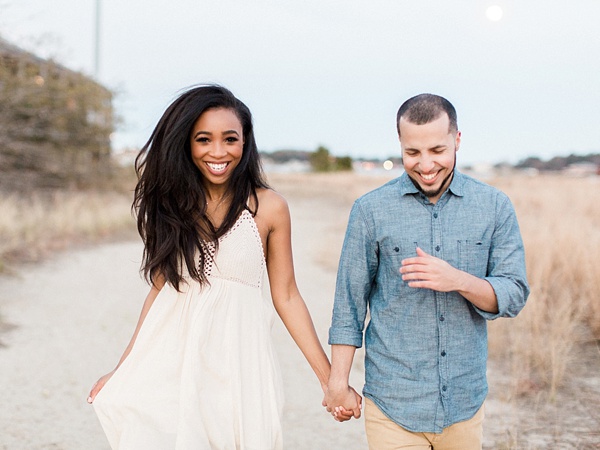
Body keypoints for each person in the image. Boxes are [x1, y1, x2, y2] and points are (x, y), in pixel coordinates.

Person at [87, 84, 358, 449]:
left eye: (230, 139)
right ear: (187, 143)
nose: (218, 152)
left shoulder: (269, 207)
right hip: (175, 361)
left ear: (245, 142)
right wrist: (124, 368)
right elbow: (160, 292)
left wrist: (330, 382)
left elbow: (288, 296)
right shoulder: (174, 207)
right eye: (203, 139)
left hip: (239, 363)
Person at [323, 93, 530, 449]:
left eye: (437, 150)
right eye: (412, 153)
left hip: (464, 403)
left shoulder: (494, 206)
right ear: (400, 145)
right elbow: (349, 306)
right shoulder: (370, 211)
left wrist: (459, 280)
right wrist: (337, 383)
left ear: (457, 140)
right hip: (392, 402)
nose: (426, 164)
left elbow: (513, 295)